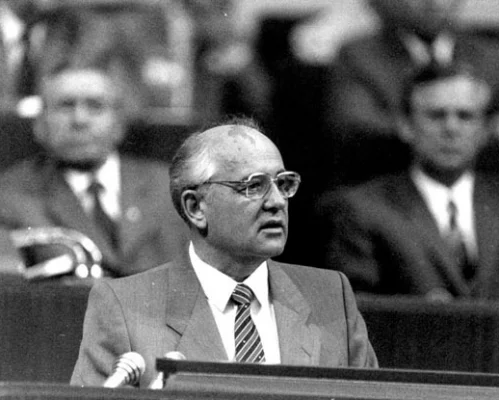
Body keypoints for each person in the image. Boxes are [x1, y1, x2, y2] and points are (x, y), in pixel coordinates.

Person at [70, 117, 378, 387]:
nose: (277, 202)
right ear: (196, 208)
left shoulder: (331, 296)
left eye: (283, 184)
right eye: (253, 186)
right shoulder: (124, 306)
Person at [317, 62, 499, 299]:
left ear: (486, 129)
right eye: (436, 115)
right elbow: (354, 306)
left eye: (465, 116)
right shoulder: (361, 209)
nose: (451, 128)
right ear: (406, 125)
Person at [0, 58, 189, 277]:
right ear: (39, 124)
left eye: (95, 106)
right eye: (65, 106)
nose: (80, 120)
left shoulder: (172, 187)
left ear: (119, 122)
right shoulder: (10, 195)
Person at [320, 0, 499, 187]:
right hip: (389, 185)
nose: (433, 3)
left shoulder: (493, 57)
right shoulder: (359, 55)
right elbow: (359, 126)